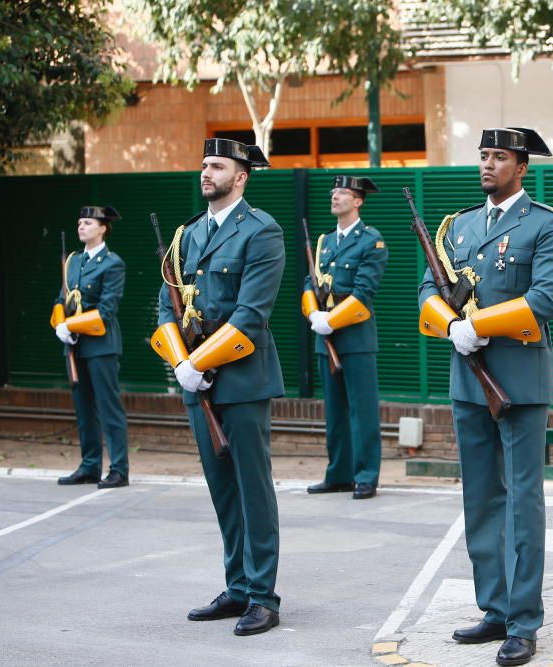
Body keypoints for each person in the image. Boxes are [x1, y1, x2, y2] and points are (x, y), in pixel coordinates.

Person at [418, 127, 553, 667]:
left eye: (499, 157)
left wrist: (479, 323)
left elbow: (546, 298)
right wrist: (452, 327)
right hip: (469, 377)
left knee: (523, 500)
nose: (487, 164)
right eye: (484, 155)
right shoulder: (458, 226)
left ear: (522, 166)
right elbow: (427, 290)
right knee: (481, 496)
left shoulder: (545, 226)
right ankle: (495, 608)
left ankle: (524, 620)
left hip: (519, 380)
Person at [150, 138, 285, 636]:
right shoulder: (186, 234)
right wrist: (183, 364)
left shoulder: (261, 231)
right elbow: (167, 304)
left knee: (253, 489)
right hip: (197, 381)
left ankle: (264, 597)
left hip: (243, 380)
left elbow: (251, 315)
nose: (206, 172)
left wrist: (200, 362)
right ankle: (238, 587)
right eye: (204, 164)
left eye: (217, 166)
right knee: (223, 492)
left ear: (241, 175)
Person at [303, 175, 388, 500]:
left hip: (355, 339)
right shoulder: (324, 242)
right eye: (334, 192)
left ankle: (366, 475)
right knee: (335, 412)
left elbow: (364, 293)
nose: (335, 196)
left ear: (358, 200)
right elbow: (310, 283)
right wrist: (314, 314)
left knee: (362, 411)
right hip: (326, 339)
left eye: (343, 193)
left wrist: (331, 320)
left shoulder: (371, 241)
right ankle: (338, 474)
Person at [51, 206, 129, 489]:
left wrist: (71, 326)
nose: (81, 227)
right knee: (84, 409)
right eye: (79, 222)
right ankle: (89, 466)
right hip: (75, 346)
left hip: (101, 344)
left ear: (103, 228)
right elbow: (61, 298)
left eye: (88, 222)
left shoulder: (112, 263)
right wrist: (62, 326)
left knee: (109, 408)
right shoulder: (72, 261)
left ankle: (119, 469)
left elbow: (107, 310)